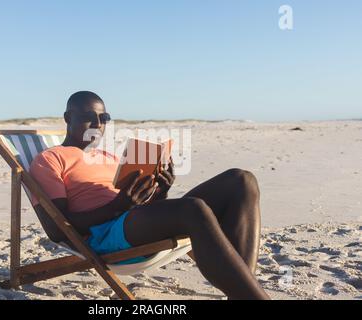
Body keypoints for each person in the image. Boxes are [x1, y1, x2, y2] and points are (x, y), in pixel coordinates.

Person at [30, 91, 270, 300]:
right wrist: (119, 206)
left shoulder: (110, 157)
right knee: (193, 209)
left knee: (241, 180)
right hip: (103, 235)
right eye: (88, 117)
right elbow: (58, 228)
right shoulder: (50, 159)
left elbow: (146, 209)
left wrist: (161, 189)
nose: (97, 124)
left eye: (104, 118)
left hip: (133, 221)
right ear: (68, 118)